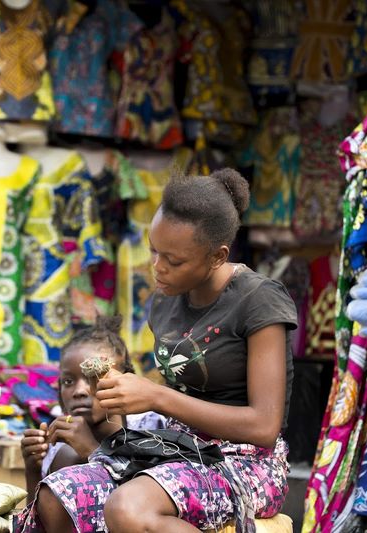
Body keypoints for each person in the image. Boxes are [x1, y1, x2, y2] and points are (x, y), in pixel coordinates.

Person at [33, 168, 298, 532]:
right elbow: (176, 395)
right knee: (59, 496)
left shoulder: (259, 301)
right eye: (154, 251)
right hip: (174, 451)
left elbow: (264, 426)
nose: (157, 268)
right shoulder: (165, 301)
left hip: (245, 462)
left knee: (129, 509)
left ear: (217, 257)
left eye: (173, 261)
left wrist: (156, 396)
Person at [19, 316, 165, 504]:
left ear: (125, 380)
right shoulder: (59, 452)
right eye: (68, 381)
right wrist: (33, 469)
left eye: (93, 377)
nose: (79, 391)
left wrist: (90, 450)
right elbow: (39, 525)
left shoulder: (151, 431)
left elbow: (143, 506)